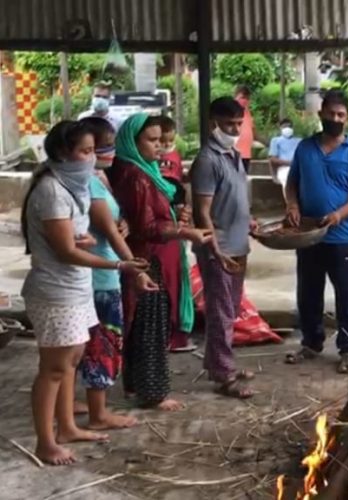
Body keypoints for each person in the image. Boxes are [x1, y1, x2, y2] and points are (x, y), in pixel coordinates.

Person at [20, 120, 151, 465]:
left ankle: (66, 427)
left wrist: (86, 241)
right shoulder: (50, 189)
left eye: (94, 151)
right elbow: (65, 251)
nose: (93, 158)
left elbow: (73, 238)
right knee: (53, 369)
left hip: (74, 288)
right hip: (55, 292)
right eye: (87, 151)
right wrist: (118, 266)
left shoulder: (69, 186)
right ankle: (45, 442)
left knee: (71, 361)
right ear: (64, 152)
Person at [107, 113, 213, 410]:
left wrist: (177, 217)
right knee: (151, 325)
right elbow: (146, 227)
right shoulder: (135, 176)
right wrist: (185, 231)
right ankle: (153, 392)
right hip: (145, 259)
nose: (159, 147)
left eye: (160, 140)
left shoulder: (144, 170)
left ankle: (134, 385)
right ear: (132, 140)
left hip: (146, 257)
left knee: (139, 323)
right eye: (151, 140)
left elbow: (156, 214)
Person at [284, 90, 348, 374]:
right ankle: (311, 342)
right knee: (308, 292)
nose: (335, 119)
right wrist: (293, 205)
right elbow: (292, 182)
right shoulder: (305, 148)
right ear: (321, 114)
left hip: (342, 237)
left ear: (347, 119)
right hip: (308, 234)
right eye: (331, 114)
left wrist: (338, 214)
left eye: (341, 115)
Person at [77, 117, 156, 430]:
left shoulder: (100, 178)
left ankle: (89, 405)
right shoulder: (92, 182)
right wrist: (134, 267)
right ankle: (99, 414)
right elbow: (109, 232)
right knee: (102, 343)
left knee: (90, 344)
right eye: (101, 146)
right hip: (101, 274)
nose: (110, 152)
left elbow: (113, 222)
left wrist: (123, 222)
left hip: (104, 270)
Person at [191, 97, 258, 398]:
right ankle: (223, 374)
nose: (233, 129)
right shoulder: (208, 160)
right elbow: (202, 210)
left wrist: (250, 221)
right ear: (212, 123)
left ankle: (219, 362)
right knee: (220, 310)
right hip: (220, 247)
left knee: (230, 308)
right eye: (228, 123)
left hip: (238, 243)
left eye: (238, 124)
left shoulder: (232, 154)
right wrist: (214, 248)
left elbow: (234, 198)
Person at [233, 85, 268, 173]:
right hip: (234, 153)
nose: (245, 101)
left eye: (247, 98)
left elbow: (253, 131)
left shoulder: (247, 112)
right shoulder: (230, 111)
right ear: (235, 96)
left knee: (243, 178)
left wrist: (266, 142)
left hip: (246, 154)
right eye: (242, 97)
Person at [268, 118, 301, 196]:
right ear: (280, 128)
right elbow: (272, 159)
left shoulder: (299, 141)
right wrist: (274, 176)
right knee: (288, 185)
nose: (287, 128)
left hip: (298, 168)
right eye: (284, 127)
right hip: (284, 169)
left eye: (289, 126)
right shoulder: (276, 141)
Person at [158, 116, 184, 183]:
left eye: (171, 140)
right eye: (162, 141)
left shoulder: (175, 155)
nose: (167, 144)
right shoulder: (155, 157)